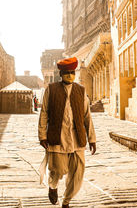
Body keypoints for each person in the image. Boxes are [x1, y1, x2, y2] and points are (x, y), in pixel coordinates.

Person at [38, 57, 96, 208]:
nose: (70, 75)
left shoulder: (81, 90)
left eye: (72, 72)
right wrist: (42, 136)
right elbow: (44, 113)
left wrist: (92, 139)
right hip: (58, 136)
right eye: (67, 73)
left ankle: (67, 201)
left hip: (77, 138)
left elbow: (87, 116)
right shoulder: (51, 89)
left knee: (77, 173)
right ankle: (53, 186)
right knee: (58, 169)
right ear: (61, 74)